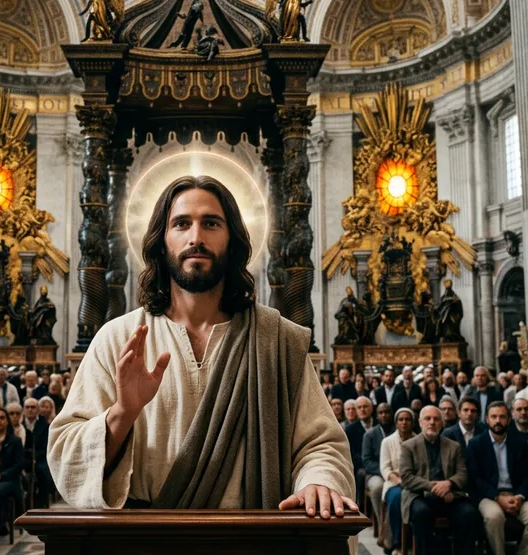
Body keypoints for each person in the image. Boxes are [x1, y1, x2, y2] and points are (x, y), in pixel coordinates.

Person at [50, 175, 355, 519]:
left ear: (232, 239)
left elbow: (320, 443)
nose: (196, 238)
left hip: (253, 542)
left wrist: (318, 480)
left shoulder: (277, 340)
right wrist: (122, 413)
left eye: (211, 223)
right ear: (161, 241)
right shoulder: (118, 339)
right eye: (181, 224)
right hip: (143, 545)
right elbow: (66, 452)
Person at [466, 402, 528, 555]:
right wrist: (497, 497)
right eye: (494, 417)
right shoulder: (476, 444)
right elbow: (475, 479)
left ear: (509, 419)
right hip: (489, 495)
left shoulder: (519, 443)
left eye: (502, 417)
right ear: (486, 419)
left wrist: (519, 496)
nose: (498, 421)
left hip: (516, 494)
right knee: (494, 517)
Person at [400, 405, 479, 555]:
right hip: (419, 495)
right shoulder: (408, 446)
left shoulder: (453, 446)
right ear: (420, 423)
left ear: (442, 423)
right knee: (421, 514)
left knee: (469, 514)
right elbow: (406, 478)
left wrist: (449, 484)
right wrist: (434, 486)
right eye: (427, 419)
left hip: (449, 496)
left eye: (436, 419)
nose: (432, 422)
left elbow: (462, 474)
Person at [0, 407, 24, 546]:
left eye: (2, 418)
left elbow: (19, 465)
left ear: (7, 421)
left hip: (9, 481)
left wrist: (0, 476)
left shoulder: (15, 441)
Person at [380, 407, 415, 555]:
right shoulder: (387, 442)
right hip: (394, 483)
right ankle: (396, 541)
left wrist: (410, 481)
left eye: (407, 419)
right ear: (396, 423)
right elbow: (385, 468)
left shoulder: (417, 439)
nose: (404, 422)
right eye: (401, 420)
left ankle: (414, 542)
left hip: (414, 482)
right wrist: (399, 480)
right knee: (397, 497)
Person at [361, 402, 394, 536]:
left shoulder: (397, 432)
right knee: (377, 487)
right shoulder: (369, 435)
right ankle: (383, 528)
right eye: (381, 413)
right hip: (376, 473)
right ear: (377, 416)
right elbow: (367, 462)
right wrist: (385, 472)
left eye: (387, 412)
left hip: (395, 473)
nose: (384, 415)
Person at [23, 397, 51, 507]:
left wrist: (35, 458)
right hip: (23, 458)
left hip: (39, 458)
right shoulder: (20, 425)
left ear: (37, 409)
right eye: (27, 407)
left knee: (42, 470)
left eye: (33, 407)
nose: (30, 410)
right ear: (24, 409)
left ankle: (41, 503)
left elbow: (45, 446)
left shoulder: (44, 425)